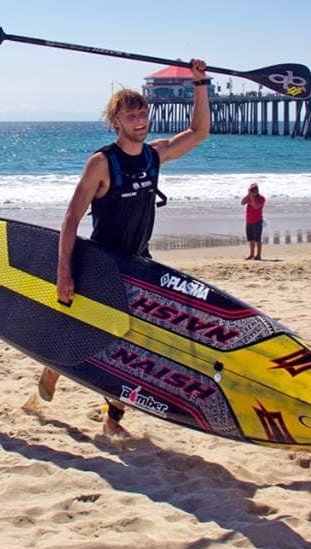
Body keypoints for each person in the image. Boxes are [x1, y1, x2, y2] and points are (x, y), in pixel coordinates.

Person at [38, 59, 211, 438]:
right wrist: (64, 273)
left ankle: (112, 417)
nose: (139, 120)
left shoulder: (154, 155)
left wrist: (200, 82)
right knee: (85, 333)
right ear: (116, 121)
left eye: (143, 113)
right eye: (131, 115)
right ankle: (53, 368)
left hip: (138, 264)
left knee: (132, 345)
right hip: (100, 264)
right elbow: (70, 218)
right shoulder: (102, 163)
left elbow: (199, 132)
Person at [241, 183, 265, 260]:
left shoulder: (261, 198)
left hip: (257, 221)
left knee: (257, 239)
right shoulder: (249, 197)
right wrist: (248, 195)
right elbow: (242, 202)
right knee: (251, 239)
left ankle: (258, 255)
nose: (254, 191)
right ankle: (251, 254)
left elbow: (256, 206)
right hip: (249, 221)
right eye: (252, 190)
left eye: (255, 190)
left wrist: (252, 198)